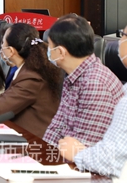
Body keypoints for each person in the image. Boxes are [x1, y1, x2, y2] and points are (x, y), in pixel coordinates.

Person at [43, 14, 124, 147]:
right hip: (65, 152)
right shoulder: (73, 76)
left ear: (61, 52)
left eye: (49, 47)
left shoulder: (95, 84)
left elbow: (81, 147)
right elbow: (57, 125)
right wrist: (42, 152)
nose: (48, 51)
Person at [58, 26, 127, 178]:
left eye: (123, 35)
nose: (119, 41)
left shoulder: (96, 81)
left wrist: (78, 152)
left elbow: (110, 160)